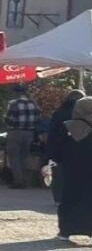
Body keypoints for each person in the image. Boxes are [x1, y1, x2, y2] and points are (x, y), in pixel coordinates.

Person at [49, 90, 86, 237]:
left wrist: (52, 156)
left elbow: (54, 137)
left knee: (68, 193)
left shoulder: (63, 116)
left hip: (69, 162)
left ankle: (66, 230)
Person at [60, 97, 92, 241]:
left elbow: (60, 147)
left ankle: (66, 230)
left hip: (72, 170)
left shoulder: (68, 126)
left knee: (69, 198)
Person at [4, 85, 41, 189]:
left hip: (15, 131)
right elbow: (38, 119)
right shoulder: (33, 104)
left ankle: (18, 181)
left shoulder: (13, 104)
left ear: (16, 93)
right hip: (29, 132)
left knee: (14, 157)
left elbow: (9, 119)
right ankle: (25, 180)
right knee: (25, 156)